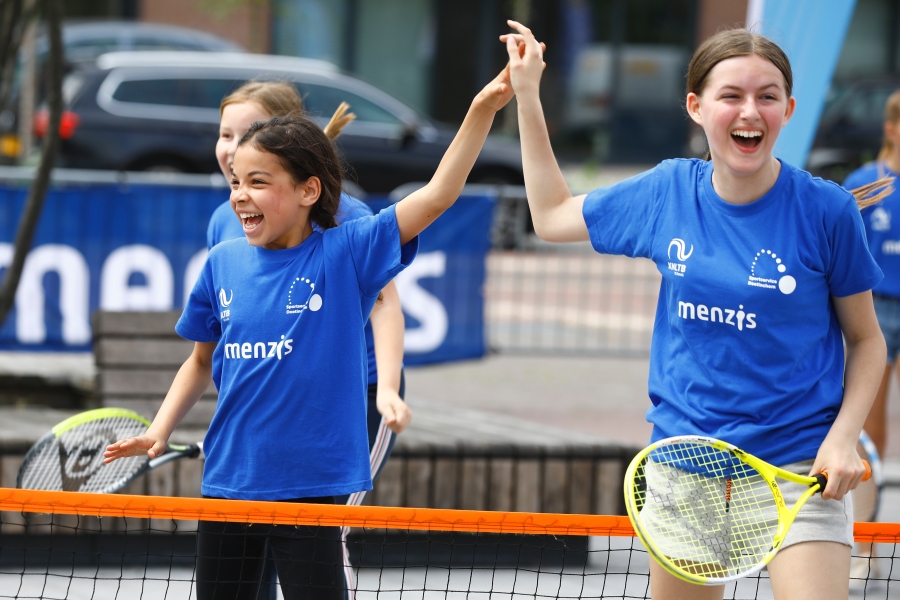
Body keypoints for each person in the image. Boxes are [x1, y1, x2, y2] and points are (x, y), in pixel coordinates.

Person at [501, 21, 888, 600]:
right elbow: (552, 215)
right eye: (730, 95)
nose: (749, 110)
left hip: (799, 469)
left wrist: (843, 439)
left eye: (767, 96)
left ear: (788, 108)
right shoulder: (667, 192)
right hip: (688, 464)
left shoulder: (827, 211)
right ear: (696, 106)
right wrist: (529, 95)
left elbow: (867, 341)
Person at [103, 61, 515, 599]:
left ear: (306, 191)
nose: (240, 195)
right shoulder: (222, 261)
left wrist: (481, 110)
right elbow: (201, 360)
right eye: (235, 182)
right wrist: (159, 430)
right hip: (228, 480)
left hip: (310, 486)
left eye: (258, 182)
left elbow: (438, 194)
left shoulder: (347, 253)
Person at [208, 81, 410, 598]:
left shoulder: (347, 221)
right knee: (254, 556)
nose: (231, 145)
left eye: (246, 131)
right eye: (225, 133)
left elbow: (386, 305)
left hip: (352, 399)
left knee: (314, 540)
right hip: (273, 416)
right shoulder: (225, 222)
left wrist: (387, 388)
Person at [841, 87, 900, 582]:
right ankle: (865, 543)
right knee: (870, 434)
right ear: (891, 129)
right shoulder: (865, 184)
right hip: (876, 312)